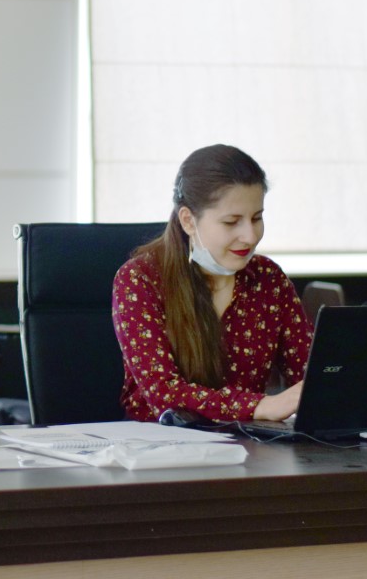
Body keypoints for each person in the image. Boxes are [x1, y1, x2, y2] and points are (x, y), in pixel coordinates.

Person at [112, 144, 314, 424]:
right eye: (232, 222)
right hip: (159, 443)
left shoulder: (269, 278)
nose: (250, 236)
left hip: (248, 443)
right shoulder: (141, 279)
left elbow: (311, 374)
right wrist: (261, 406)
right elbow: (163, 393)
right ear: (188, 221)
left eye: (257, 218)